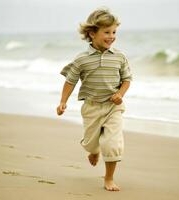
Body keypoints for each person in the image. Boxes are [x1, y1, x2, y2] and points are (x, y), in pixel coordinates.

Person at [56, 8, 132, 191]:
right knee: (91, 142)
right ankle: (93, 150)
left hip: (113, 107)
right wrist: (63, 101)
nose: (111, 36)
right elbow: (70, 81)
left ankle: (109, 178)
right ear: (92, 33)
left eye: (114, 32)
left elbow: (127, 79)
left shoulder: (119, 57)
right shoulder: (82, 59)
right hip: (91, 107)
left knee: (112, 144)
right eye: (107, 32)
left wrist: (120, 94)